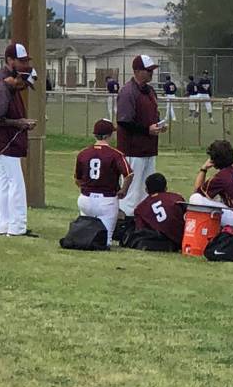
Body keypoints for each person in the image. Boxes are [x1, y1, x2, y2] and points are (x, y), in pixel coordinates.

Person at [0, 43, 36, 236]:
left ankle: (0, 222)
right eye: (21, 61)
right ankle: (15, 226)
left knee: (2, 180)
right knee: (13, 182)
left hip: (3, 139)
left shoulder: (7, 83)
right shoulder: (3, 84)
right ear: (10, 61)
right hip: (5, 139)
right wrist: (19, 122)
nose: (23, 64)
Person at [116, 54, 167, 217]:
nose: (151, 73)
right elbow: (124, 122)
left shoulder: (150, 91)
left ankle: (144, 219)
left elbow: (152, 115)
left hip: (149, 148)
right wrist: (147, 130)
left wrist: (158, 125)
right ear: (137, 71)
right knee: (131, 190)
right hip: (133, 150)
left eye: (152, 70)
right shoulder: (128, 91)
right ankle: (124, 221)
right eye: (148, 70)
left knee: (147, 190)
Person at [74, 119, 134, 246]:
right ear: (108, 135)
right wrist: (123, 190)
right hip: (106, 201)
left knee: (85, 235)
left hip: (85, 199)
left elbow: (77, 179)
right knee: (105, 241)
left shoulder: (83, 153)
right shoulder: (116, 154)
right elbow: (129, 174)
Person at [133, 173, 186, 248]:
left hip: (160, 239)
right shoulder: (177, 198)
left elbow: (140, 230)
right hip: (182, 238)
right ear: (166, 188)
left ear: (146, 190)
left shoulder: (140, 208)